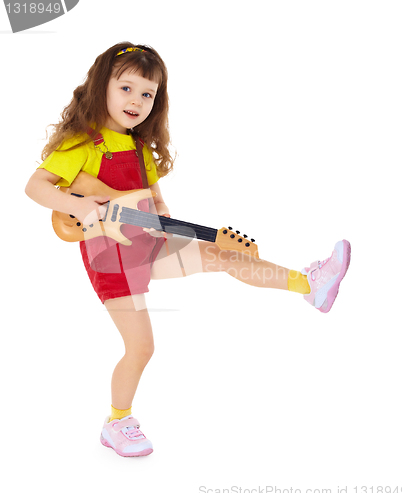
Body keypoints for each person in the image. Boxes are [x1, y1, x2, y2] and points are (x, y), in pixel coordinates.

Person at [25, 42, 351, 458]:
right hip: (110, 258)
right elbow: (35, 186)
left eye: (147, 94)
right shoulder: (82, 144)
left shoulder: (142, 149)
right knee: (142, 347)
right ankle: (117, 421)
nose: (136, 101)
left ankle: (311, 285)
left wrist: (168, 218)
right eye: (126, 88)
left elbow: (155, 206)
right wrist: (79, 205)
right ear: (100, 86)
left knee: (225, 254)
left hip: (145, 241)